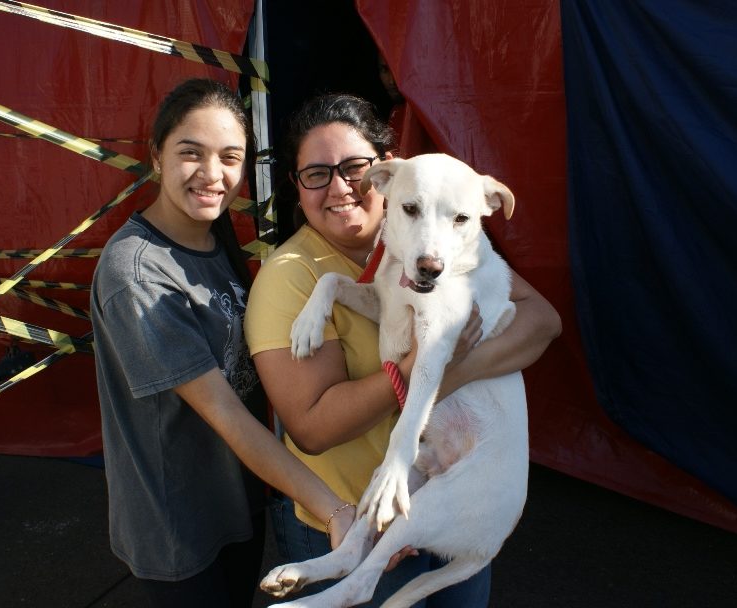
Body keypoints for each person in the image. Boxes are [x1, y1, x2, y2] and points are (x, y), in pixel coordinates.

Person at [244, 93, 562, 606]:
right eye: (316, 174)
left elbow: (543, 320)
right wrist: (417, 371)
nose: (342, 188)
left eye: (353, 168)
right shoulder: (289, 276)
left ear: (383, 171)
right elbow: (310, 427)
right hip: (350, 512)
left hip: (443, 481)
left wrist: (449, 369)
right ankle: (351, 578)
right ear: (295, 186)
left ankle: (350, 580)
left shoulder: (439, 247)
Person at [90, 79, 356, 608]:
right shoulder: (137, 273)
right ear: (157, 155)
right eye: (192, 153)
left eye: (230, 157)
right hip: (178, 527)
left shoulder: (216, 235)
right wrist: (335, 509)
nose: (213, 175)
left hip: (236, 501)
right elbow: (227, 414)